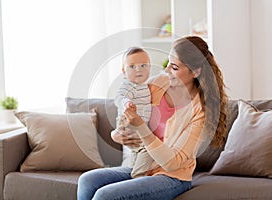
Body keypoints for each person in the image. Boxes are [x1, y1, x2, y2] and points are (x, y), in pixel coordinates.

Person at [77, 36, 228, 200]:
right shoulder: (158, 83)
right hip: (141, 165)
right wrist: (117, 134)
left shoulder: (201, 111)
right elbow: (127, 105)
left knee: (104, 195)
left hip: (171, 177)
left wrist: (141, 127)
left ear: (195, 72)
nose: (167, 70)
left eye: (175, 67)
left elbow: (172, 163)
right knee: (87, 180)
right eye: (168, 63)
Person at [114, 47, 154, 178]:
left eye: (143, 65)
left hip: (138, 127)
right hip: (128, 125)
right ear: (123, 71)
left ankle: (134, 173)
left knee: (139, 151)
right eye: (132, 66)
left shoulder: (146, 85)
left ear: (150, 67)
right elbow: (119, 97)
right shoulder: (128, 85)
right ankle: (138, 177)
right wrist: (126, 103)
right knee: (147, 148)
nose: (138, 70)